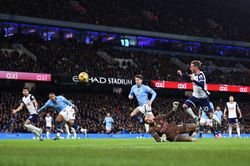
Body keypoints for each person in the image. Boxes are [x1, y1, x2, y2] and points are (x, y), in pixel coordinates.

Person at [177, 60, 211, 125]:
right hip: (195, 97)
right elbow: (187, 76)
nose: (190, 68)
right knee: (184, 106)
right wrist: (181, 74)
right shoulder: (193, 75)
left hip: (203, 98)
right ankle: (195, 117)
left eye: (191, 67)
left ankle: (216, 131)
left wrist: (194, 81)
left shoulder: (201, 75)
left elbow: (201, 84)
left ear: (196, 67)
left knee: (209, 116)